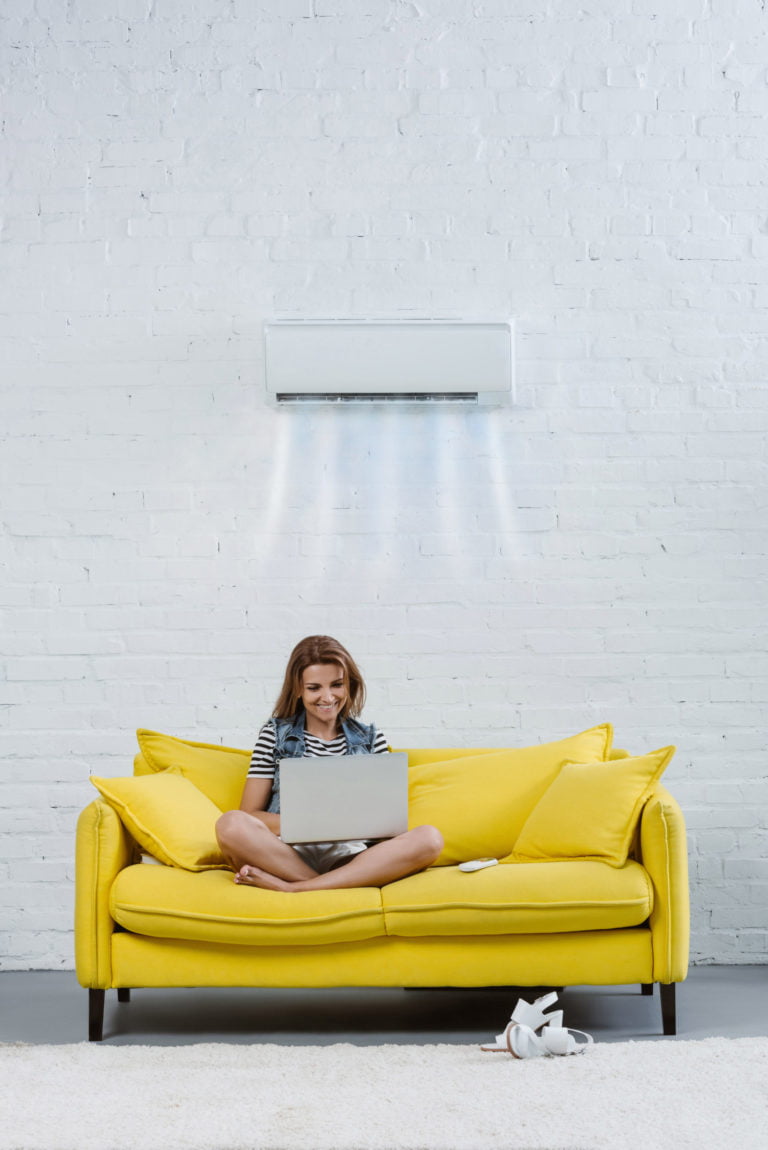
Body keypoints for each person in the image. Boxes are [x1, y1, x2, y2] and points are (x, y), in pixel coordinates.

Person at [216, 635, 443, 892]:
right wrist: (314, 822)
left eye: (337, 685)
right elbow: (249, 816)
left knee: (430, 838)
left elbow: (387, 829)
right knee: (230, 824)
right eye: (314, 688)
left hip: (351, 858)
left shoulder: (371, 738)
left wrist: (363, 825)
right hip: (285, 856)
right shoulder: (274, 735)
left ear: (349, 685)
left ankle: (296, 888)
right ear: (298, 690)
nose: (327, 697)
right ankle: (327, 885)